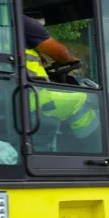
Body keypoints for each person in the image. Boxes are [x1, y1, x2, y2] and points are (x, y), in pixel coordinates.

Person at [22, 15, 100, 152]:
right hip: (31, 95)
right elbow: (61, 54)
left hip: (17, 92)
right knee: (83, 101)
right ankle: (94, 151)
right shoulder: (23, 22)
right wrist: (70, 59)